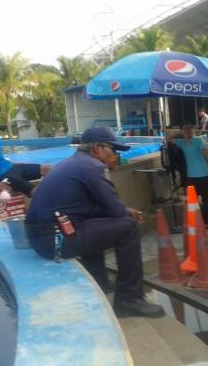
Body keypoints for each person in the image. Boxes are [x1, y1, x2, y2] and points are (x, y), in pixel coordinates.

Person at [25, 126, 164, 318]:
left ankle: (99, 281)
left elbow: (87, 208)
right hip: (55, 241)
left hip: (44, 238)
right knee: (128, 228)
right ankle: (129, 299)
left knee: (99, 222)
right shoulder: (93, 167)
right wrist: (125, 212)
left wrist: (124, 210)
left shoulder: (74, 163)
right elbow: (115, 211)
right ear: (98, 148)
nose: (116, 155)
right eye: (113, 150)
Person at [169, 123, 208, 227]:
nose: (188, 132)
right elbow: (168, 139)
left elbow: (206, 154)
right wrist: (180, 134)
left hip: (203, 174)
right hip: (191, 176)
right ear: (182, 132)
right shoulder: (180, 142)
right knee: (194, 200)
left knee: (205, 199)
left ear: (194, 131)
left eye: (190, 129)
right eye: (185, 130)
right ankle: (198, 220)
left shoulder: (198, 141)